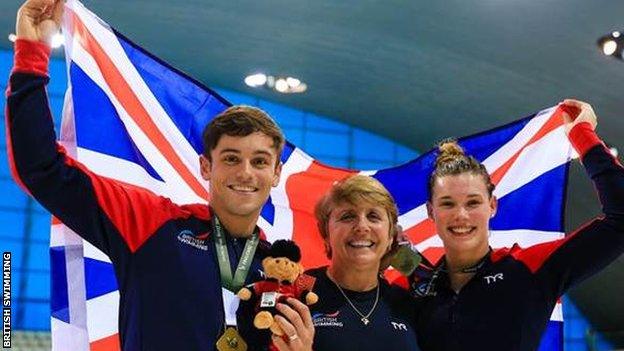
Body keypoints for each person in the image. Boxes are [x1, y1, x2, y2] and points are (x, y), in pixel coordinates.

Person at [7, 0, 310, 350]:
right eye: (231, 158)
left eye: (259, 162)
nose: (245, 173)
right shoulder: (152, 223)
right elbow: (42, 168)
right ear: (206, 167)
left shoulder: (280, 270)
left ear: (276, 173)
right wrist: (32, 51)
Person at [411, 100, 624, 351]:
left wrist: (582, 134)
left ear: (492, 206)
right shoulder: (412, 286)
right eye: (447, 204)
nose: (461, 215)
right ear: (430, 211)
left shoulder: (530, 270)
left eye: (473, 203)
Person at [275, 175, 421, 351]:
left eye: (373, 216)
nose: (362, 226)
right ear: (326, 234)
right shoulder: (296, 289)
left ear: (391, 237)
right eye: (348, 216)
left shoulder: (407, 303)